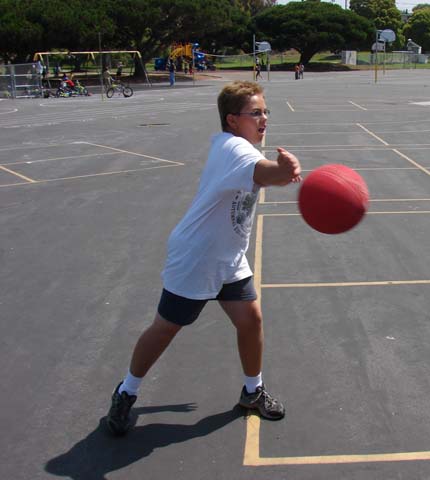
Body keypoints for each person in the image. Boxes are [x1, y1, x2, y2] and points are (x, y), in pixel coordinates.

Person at [106, 81, 302, 436]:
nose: (264, 119)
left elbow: (264, 174)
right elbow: (266, 173)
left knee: (251, 320)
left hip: (228, 257)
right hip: (196, 257)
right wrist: (283, 171)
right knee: (166, 328)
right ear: (232, 120)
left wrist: (280, 172)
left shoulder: (237, 147)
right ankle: (125, 392)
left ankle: (252, 391)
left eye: (265, 112)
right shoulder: (233, 148)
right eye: (255, 113)